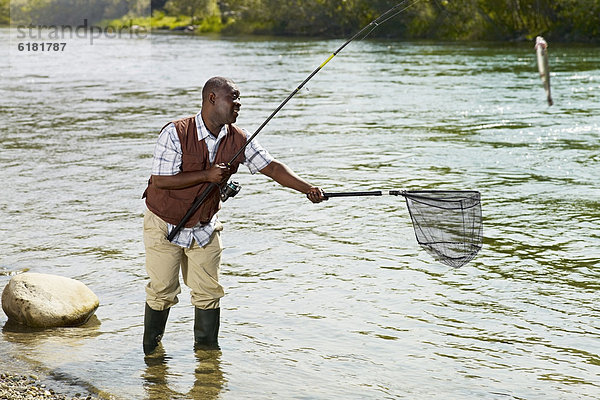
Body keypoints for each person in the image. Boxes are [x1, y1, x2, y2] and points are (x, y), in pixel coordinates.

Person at [142, 76, 325, 355]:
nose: (238, 104)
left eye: (239, 99)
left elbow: (273, 168)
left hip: (204, 225)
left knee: (209, 292)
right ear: (212, 98)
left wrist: (307, 188)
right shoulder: (176, 132)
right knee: (162, 291)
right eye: (233, 98)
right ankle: (152, 358)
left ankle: (207, 363)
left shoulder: (239, 138)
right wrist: (207, 175)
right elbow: (161, 180)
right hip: (163, 222)